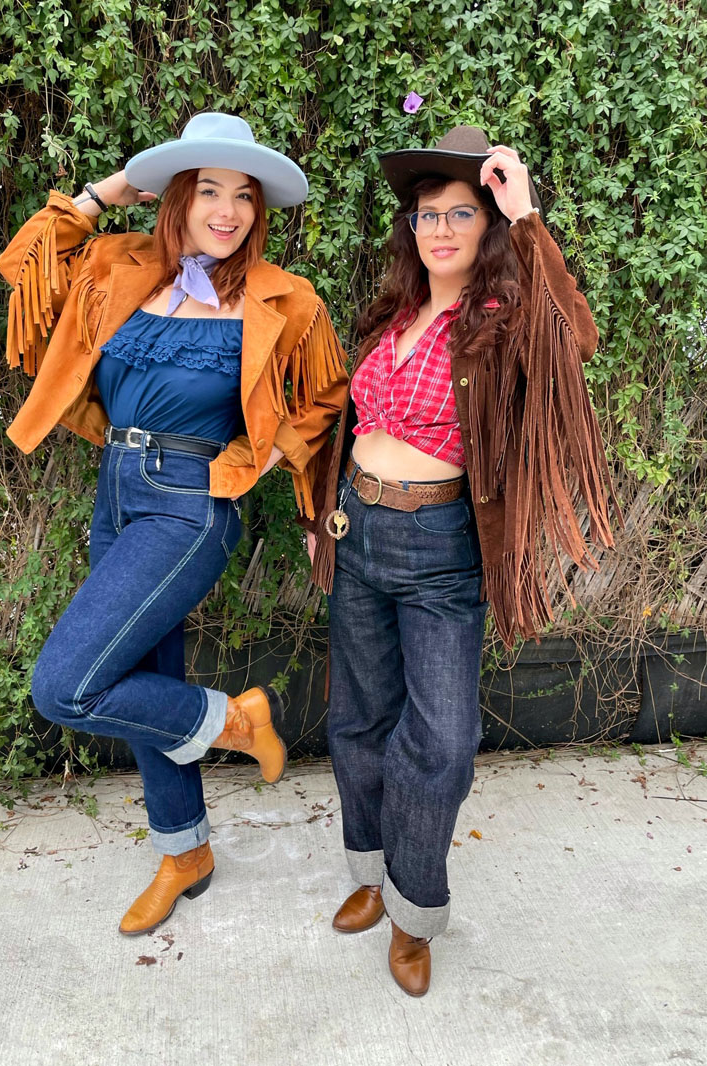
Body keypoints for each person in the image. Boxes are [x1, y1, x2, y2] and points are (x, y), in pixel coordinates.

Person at [0, 113, 347, 936]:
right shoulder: (121, 264)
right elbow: (23, 265)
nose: (227, 211)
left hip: (191, 503)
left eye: (245, 197)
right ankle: (183, 849)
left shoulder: (285, 299)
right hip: (115, 489)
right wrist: (116, 185)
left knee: (68, 685)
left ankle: (234, 723)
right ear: (178, 197)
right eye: (209, 190)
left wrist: (261, 460)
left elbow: (326, 398)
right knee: (135, 672)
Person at [307, 126, 618, 996]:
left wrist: (527, 216)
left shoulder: (503, 323)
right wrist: (324, 510)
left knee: (441, 742)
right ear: (409, 228)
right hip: (357, 531)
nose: (440, 229)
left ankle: (414, 909)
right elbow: (351, 423)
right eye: (426, 214)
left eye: (461, 214)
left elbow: (574, 340)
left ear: (485, 227)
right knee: (359, 718)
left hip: (442, 547)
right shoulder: (391, 314)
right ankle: (370, 874)